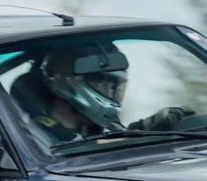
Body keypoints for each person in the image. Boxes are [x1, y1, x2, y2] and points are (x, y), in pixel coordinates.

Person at [11, 41, 192, 146]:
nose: (114, 93)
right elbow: (73, 156)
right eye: (103, 82)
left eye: (118, 85)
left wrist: (146, 131)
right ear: (67, 82)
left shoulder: (97, 131)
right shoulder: (31, 141)